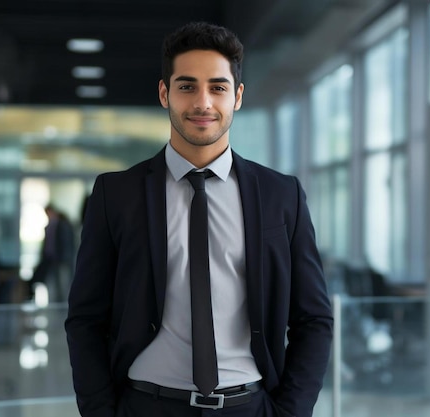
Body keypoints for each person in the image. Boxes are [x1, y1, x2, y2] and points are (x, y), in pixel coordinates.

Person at [65, 21, 333, 417]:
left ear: (237, 96)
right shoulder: (116, 194)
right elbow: (85, 319)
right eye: (187, 86)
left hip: (248, 406)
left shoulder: (281, 195)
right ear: (164, 93)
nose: (203, 102)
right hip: (146, 406)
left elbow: (313, 318)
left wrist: (291, 412)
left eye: (218, 87)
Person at [30, 204, 75, 302]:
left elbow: (67, 245)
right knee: (53, 285)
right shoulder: (49, 227)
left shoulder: (63, 225)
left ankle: (64, 306)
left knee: (64, 285)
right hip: (51, 261)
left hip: (62, 261)